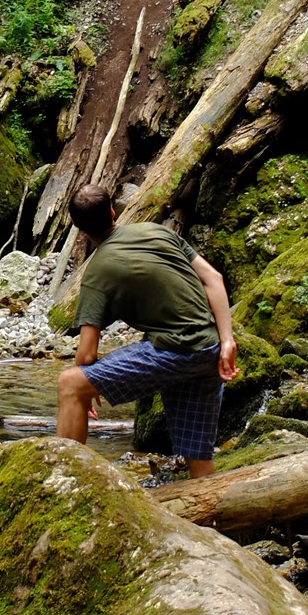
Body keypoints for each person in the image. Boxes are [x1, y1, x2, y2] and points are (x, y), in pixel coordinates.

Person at [55, 185, 239, 477]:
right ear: (114, 212)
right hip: (209, 350)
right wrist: (227, 340)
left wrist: (85, 392)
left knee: (70, 384)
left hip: (174, 351)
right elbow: (213, 278)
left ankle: (65, 481)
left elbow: (87, 353)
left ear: (77, 227)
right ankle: (212, 518)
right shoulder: (159, 232)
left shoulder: (97, 272)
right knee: (198, 457)